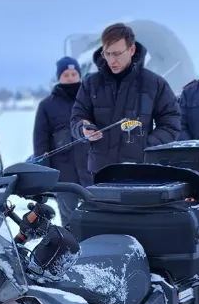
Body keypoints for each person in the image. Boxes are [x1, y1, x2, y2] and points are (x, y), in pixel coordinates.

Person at [69, 22, 181, 183]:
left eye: (117, 53)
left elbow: (172, 123)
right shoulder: (91, 84)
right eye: (107, 54)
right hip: (100, 174)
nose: (111, 60)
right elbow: (76, 117)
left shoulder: (154, 84)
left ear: (131, 49)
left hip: (141, 172)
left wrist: (147, 145)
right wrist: (83, 128)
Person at [32, 57, 91, 224]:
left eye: (74, 73)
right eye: (66, 74)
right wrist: (46, 175)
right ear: (59, 77)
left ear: (80, 75)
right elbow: (40, 142)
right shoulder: (46, 105)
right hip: (64, 173)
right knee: (69, 219)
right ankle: (71, 248)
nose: (71, 77)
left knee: (97, 213)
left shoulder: (91, 100)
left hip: (91, 170)